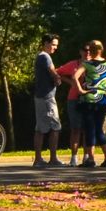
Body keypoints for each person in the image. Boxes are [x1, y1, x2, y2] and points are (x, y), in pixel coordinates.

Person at [72, 40, 106, 168]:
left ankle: (91, 159)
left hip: (88, 98)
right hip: (102, 99)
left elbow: (75, 77)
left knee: (89, 129)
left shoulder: (87, 64)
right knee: (99, 129)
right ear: (102, 50)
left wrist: (81, 90)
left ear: (91, 51)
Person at [33, 34, 64, 168]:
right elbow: (53, 72)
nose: (55, 47)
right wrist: (58, 79)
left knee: (41, 127)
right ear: (46, 43)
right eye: (53, 44)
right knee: (55, 127)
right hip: (47, 97)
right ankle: (52, 158)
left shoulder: (40, 57)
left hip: (41, 96)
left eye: (56, 45)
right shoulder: (45, 57)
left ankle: (39, 159)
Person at [57, 44, 87, 165]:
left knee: (87, 129)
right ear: (80, 51)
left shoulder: (96, 64)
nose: (88, 53)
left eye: (90, 50)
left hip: (89, 99)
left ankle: (87, 156)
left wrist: (104, 86)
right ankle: (74, 157)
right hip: (74, 98)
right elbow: (58, 72)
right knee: (76, 128)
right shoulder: (73, 64)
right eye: (85, 50)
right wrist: (71, 82)